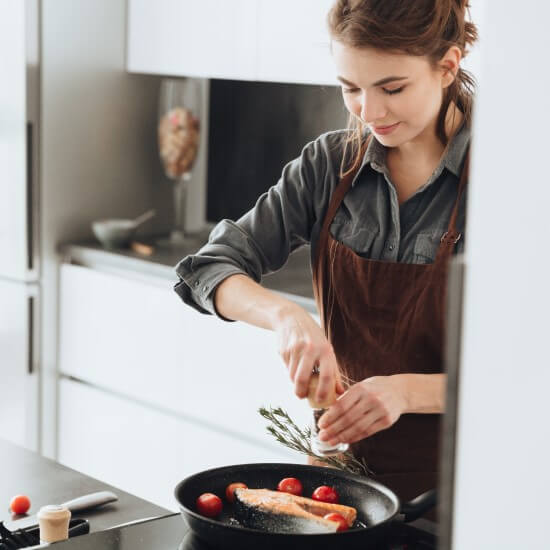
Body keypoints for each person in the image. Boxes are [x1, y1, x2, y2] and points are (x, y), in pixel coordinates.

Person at [174, 0, 478, 503]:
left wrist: (406, 393)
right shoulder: (329, 164)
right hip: (341, 479)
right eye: (351, 88)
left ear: (447, 67)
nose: (369, 111)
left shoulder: (514, 177)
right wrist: (284, 316)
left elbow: (532, 371)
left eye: (392, 88)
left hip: (467, 488)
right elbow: (209, 268)